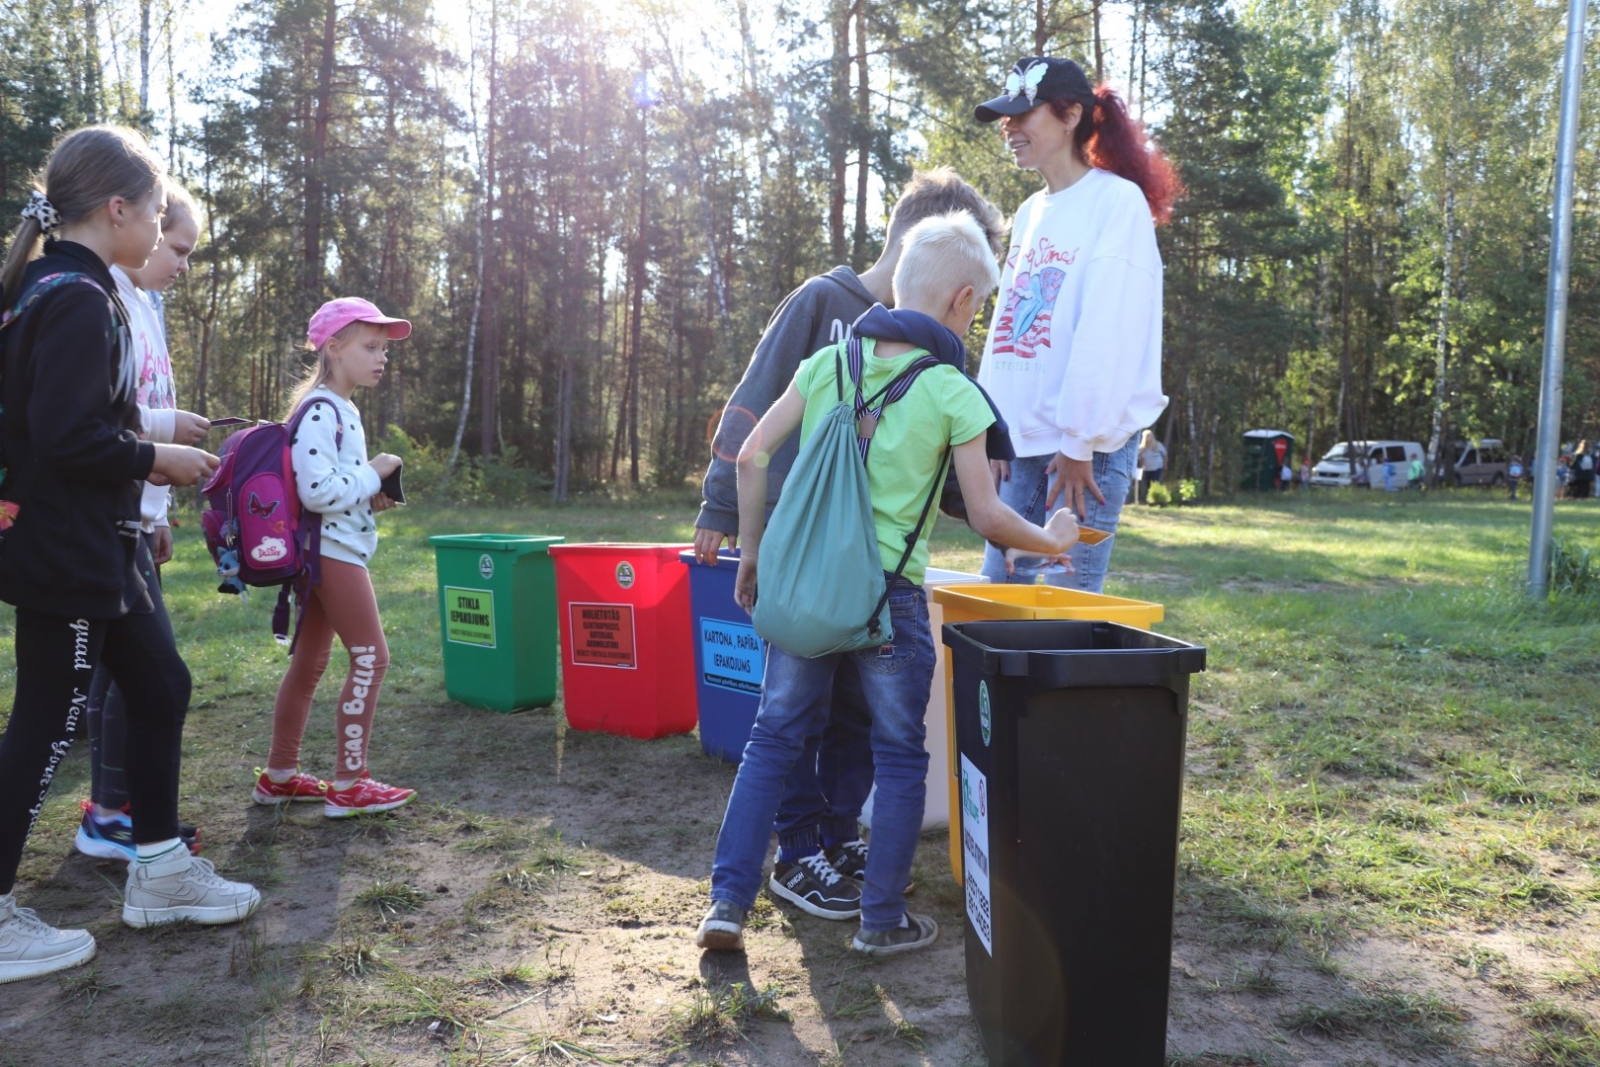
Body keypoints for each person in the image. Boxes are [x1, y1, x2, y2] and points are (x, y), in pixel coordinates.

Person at [695, 211, 1079, 958]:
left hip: (802, 589)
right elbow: (991, 516)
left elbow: (749, 456)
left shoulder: (827, 363)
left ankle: (726, 903)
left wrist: (753, 555)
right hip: (888, 602)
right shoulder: (952, 391)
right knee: (902, 755)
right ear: (963, 302)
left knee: (771, 741)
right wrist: (1052, 540)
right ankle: (879, 922)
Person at [0, 125, 261, 984]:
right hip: (67, 547)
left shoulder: (57, 284)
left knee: (161, 683)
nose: (159, 230)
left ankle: (158, 869)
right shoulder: (76, 297)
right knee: (44, 721)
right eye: (154, 211)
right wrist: (160, 457)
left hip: (103, 543)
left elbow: (65, 418)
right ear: (118, 210)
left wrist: (142, 454)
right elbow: (68, 437)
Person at [973, 57, 1179, 592]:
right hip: (1021, 446)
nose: (1009, 129)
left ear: (1069, 115)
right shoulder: (1031, 211)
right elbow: (1006, 329)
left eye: (1022, 115)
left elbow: (1107, 330)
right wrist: (991, 433)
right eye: (1005, 119)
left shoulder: (1115, 202)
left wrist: (1079, 442)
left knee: (1059, 614)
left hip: (1081, 453)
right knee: (999, 604)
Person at [75, 178, 209, 863]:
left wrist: (159, 508)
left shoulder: (144, 304)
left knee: (126, 674)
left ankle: (117, 814)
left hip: (135, 514)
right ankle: (110, 813)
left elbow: (139, 408)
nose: (177, 257)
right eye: (173, 242)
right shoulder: (100, 301)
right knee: (139, 678)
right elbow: (103, 422)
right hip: (98, 524)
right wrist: (163, 440)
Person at [251, 298, 416, 817]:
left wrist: (370, 496)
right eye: (370, 346)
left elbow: (326, 494)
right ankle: (350, 782)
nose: (381, 357)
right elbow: (319, 491)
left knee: (311, 662)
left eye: (384, 349)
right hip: (331, 554)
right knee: (372, 656)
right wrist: (376, 469)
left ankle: (279, 776)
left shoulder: (340, 408)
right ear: (333, 347)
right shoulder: (322, 409)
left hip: (327, 547)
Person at [1136, 429, 1165, 504]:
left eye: (1150, 436)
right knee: (1148, 483)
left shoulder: (1157, 445)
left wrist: (1165, 465)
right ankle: (1149, 499)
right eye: (1147, 436)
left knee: (1155, 482)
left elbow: (1165, 454)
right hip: (1147, 468)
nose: (1149, 438)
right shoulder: (1141, 448)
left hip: (1157, 467)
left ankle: (1156, 499)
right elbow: (1139, 457)